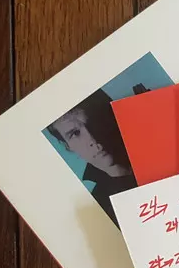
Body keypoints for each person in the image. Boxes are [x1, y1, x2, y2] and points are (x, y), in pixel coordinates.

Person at [47, 89, 136, 226]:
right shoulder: (99, 208)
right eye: (75, 133)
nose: (92, 139)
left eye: (94, 122)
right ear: (68, 146)